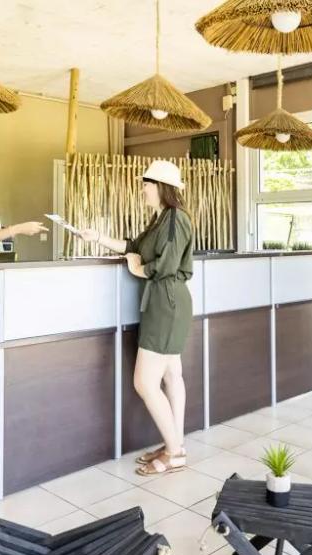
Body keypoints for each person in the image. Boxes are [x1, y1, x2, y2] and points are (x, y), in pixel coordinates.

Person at [79, 160, 193, 476]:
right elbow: (134, 247)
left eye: (146, 184)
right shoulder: (160, 219)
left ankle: (174, 452)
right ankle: (175, 445)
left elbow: (165, 265)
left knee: (145, 381)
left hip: (166, 303)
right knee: (171, 374)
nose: (142, 190)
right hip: (163, 301)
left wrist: (138, 269)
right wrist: (97, 237)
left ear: (161, 187)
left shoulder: (176, 219)